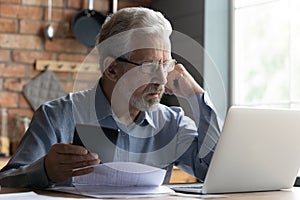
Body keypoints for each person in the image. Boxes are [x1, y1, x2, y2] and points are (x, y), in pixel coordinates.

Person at [0, 7, 221, 188]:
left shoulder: (172, 123)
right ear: (112, 69)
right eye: (149, 66)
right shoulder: (56, 116)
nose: (162, 78)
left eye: (166, 64)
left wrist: (196, 95)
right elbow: (5, 183)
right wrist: (45, 170)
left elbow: (216, 171)